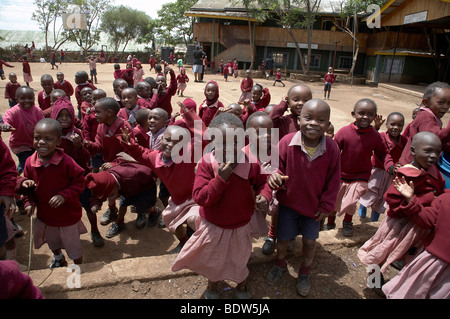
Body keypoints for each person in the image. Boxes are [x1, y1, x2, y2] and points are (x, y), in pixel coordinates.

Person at [171, 112, 271, 299]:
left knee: (240, 259)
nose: (229, 148)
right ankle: (212, 288)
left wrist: (264, 195)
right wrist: (221, 179)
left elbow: (263, 182)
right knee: (214, 262)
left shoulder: (250, 162)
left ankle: (241, 286)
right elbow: (200, 197)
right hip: (214, 226)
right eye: (221, 142)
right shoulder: (207, 164)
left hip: (241, 225)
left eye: (235, 141)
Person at [266, 99, 341, 296]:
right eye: (308, 118)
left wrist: (326, 206)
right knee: (282, 239)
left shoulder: (332, 148)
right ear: (299, 119)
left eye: (321, 120)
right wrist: (274, 175)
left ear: (328, 124)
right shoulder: (287, 142)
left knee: (309, 242)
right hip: (289, 203)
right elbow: (276, 166)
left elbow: (334, 180)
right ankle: (280, 263)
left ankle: (305, 271)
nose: (314, 123)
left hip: (314, 207)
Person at [119, 100, 207, 252]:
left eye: (177, 142)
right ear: (162, 139)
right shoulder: (155, 157)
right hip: (177, 200)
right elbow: (140, 152)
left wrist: (189, 115)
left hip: (195, 199)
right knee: (172, 222)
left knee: (194, 221)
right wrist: (130, 144)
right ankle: (184, 242)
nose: (170, 145)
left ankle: (203, 248)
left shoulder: (188, 154)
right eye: (167, 140)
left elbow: (205, 137)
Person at [358, 132, 445, 278]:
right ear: (413, 151)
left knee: (408, 252)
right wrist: (420, 200)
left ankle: (399, 284)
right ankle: (373, 281)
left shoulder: (433, 171)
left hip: (418, 222)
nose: (433, 156)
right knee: (384, 251)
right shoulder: (406, 174)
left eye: (437, 152)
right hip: (399, 223)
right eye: (428, 151)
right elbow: (391, 198)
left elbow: (440, 189)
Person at [22, 118, 86, 268]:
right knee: (52, 241)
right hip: (46, 216)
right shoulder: (30, 162)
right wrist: (28, 203)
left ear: (58, 142)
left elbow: (79, 182)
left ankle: (77, 267)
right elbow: (27, 188)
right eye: (37, 138)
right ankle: (58, 258)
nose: (41, 142)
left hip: (67, 216)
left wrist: (63, 195)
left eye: (48, 139)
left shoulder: (66, 162)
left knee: (73, 246)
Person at [323, 98, 387, 236]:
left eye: (370, 114)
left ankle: (347, 222)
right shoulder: (344, 132)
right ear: (353, 114)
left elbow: (383, 154)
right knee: (335, 201)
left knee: (351, 202)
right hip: (341, 174)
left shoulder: (375, 136)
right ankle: (330, 222)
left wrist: (391, 165)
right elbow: (334, 151)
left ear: (374, 116)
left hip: (361, 176)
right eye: (361, 113)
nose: (365, 117)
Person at [381, 178, 450, 299]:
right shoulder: (445, 200)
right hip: (432, 262)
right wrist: (410, 199)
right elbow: (426, 219)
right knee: (411, 292)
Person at [50, 97, 103, 247]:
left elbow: (86, 158)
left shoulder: (76, 133)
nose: (64, 119)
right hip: (60, 180)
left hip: (79, 178)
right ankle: (68, 235)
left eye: (68, 115)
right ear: (54, 116)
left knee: (88, 206)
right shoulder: (52, 135)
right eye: (60, 115)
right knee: (64, 209)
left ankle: (95, 230)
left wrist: (79, 147)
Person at [83, 97, 135, 225]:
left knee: (127, 193)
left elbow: (130, 152)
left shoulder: (124, 127)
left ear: (110, 113)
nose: (95, 115)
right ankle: (112, 211)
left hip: (124, 165)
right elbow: (98, 147)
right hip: (109, 166)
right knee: (111, 193)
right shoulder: (101, 126)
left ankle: (142, 213)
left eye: (98, 112)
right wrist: (87, 144)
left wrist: (114, 163)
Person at [86, 161, 158, 238]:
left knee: (142, 208)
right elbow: (97, 193)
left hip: (145, 188)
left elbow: (149, 172)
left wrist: (140, 200)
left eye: (110, 194)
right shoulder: (108, 178)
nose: (110, 196)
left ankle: (155, 211)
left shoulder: (134, 174)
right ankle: (119, 223)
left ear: (114, 187)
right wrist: (96, 203)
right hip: (127, 188)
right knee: (123, 204)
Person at [359, 112, 407, 221]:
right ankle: (362, 211)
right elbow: (370, 139)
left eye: (400, 125)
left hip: (391, 173)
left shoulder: (404, 141)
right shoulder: (381, 137)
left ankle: (373, 220)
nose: (396, 128)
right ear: (387, 125)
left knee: (382, 196)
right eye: (392, 124)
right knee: (370, 191)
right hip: (376, 170)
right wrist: (376, 127)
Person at [399, 82, 450, 166]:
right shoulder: (425, 117)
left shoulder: (433, 116)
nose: (445, 107)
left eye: (449, 103)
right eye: (441, 102)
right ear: (426, 102)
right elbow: (435, 138)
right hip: (413, 166)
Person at [0, 86, 44, 174]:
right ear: (17, 99)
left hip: (33, 143)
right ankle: (28, 182)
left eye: (30, 98)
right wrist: (5, 126)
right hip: (20, 145)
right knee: (29, 165)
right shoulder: (13, 111)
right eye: (23, 98)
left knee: (33, 161)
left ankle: (19, 170)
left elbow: (43, 123)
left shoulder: (37, 110)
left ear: (34, 98)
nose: (27, 101)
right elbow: (7, 120)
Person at [82, 89, 107, 174]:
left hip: (106, 145)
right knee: (95, 167)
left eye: (100, 99)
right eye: (94, 98)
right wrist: (90, 147)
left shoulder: (109, 113)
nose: (96, 101)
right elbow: (86, 131)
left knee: (107, 167)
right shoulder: (89, 114)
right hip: (94, 144)